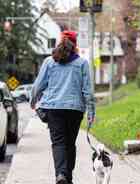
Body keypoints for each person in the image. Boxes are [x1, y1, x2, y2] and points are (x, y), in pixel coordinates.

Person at [30, 30, 95, 184]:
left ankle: (61, 174)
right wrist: (91, 112)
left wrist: (33, 100)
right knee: (70, 143)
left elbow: (39, 84)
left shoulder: (49, 62)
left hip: (53, 109)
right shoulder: (82, 63)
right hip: (75, 109)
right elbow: (88, 91)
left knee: (58, 142)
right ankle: (68, 178)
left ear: (60, 42)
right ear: (75, 45)